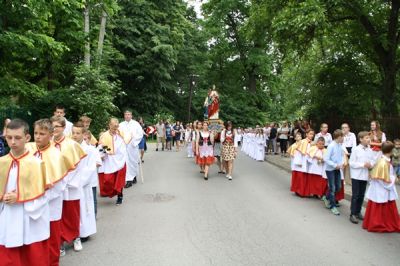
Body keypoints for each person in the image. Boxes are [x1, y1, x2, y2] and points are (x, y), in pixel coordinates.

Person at [0, 119, 50, 266]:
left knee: (32, 257)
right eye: (9, 138)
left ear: (27, 138)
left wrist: (20, 196)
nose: (13, 142)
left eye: (17, 137)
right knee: (8, 256)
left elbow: (44, 194)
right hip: (7, 216)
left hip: (28, 218)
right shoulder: (1, 162)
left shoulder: (36, 164)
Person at [29, 119, 71, 266]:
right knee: (35, 242)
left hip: (50, 205)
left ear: (51, 134)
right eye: (35, 133)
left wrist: (40, 198)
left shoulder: (57, 155)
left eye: (42, 133)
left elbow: (60, 186)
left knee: (52, 242)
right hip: (30, 205)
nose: (38, 137)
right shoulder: (29, 150)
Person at [50, 116, 87, 255]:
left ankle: (75, 237)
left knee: (72, 214)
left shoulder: (72, 145)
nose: (54, 130)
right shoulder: (48, 144)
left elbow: (78, 167)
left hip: (70, 186)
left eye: (57, 127)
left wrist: (66, 182)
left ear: (64, 128)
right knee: (57, 215)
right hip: (54, 187)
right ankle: (60, 243)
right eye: (52, 127)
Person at [363, 141, 400, 232]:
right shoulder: (383, 162)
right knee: (381, 206)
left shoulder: (382, 160)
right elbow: (383, 180)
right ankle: (379, 224)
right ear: (390, 151)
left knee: (381, 205)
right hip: (382, 188)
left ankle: (377, 223)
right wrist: (393, 179)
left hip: (379, 188)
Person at [71, 122, 98, 243]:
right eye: (73, 133)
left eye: (77, 133)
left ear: (83, 134)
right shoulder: (69, 148)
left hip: (82, 184)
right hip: (71, 184)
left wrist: (79, 181)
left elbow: (90, 168)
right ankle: (73, 232)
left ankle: (84, 232)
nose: (75, 135)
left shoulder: (89, 150)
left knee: (84, 209)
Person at [98, 118, 127, 205]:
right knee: (108, 180)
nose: (115, 127)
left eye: (117, 125)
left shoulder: (121, 134)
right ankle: (112, 192)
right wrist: (102, 155)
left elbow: (124, 146)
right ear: (109, 125)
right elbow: (101, 147)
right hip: (109, 160)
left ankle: (120, 196)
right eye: (113, 125)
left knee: (119, 180)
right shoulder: (104, 136)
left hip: (120, 160)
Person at [349, 131, 375, 224]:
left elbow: (372, 161)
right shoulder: (356, 149)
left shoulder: (370, 150)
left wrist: (370, 165)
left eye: (369, 138)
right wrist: (362, 164)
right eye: (367, 138)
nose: (369, 140)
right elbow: (351, 163)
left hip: (364, 176)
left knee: (361, 195)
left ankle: (358, 211)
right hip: (356, 175)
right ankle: (352, 213)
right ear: (361, 139)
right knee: (355, 195)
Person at [323, 129, 344, 216]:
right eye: (342, 137)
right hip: (330, 169)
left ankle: (326, 197)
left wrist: (341, 164)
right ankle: (332, 206)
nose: (343, 138)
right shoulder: (331, 146)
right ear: (338, 137)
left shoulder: (339, 145)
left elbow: (340, 156)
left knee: (338, 186)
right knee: (332, 187)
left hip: (337, 169)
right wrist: (335, 165)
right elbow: (326, 158)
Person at [119, 110, 143, 188]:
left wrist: (133, 141)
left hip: (132, 146)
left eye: (129, 114)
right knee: (126, 162)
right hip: (124, 146)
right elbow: (118, 134)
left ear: (131, 116)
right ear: (124, 116)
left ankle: (134, 176)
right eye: (126, 114)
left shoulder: (136, 124)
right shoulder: (121, 125)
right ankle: (128, 180)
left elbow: (140, 134)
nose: (127, 116)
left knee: (133, 162)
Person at [291, 129, 315, 197]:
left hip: (308, 161)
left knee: (305, 177)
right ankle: (300, 191)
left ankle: (305, 191)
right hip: (302, 161)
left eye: (312, 134)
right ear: (306, 134)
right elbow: (300, 152)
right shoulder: (303, 142)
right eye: (310, 134)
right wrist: (299, 161)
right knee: (301, 177)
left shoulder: (311, 142)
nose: (311, 135)